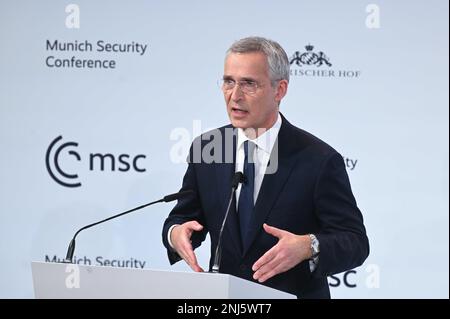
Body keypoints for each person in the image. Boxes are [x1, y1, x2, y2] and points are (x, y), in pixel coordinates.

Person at [162, 36, 369, 299]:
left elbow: (355, 242)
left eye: (249, 84)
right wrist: (175, 233)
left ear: (279, 90)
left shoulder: (318, 159)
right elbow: (183, 217)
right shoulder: (208, 148)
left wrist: (309, 246)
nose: (234, 95)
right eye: (228, 82)